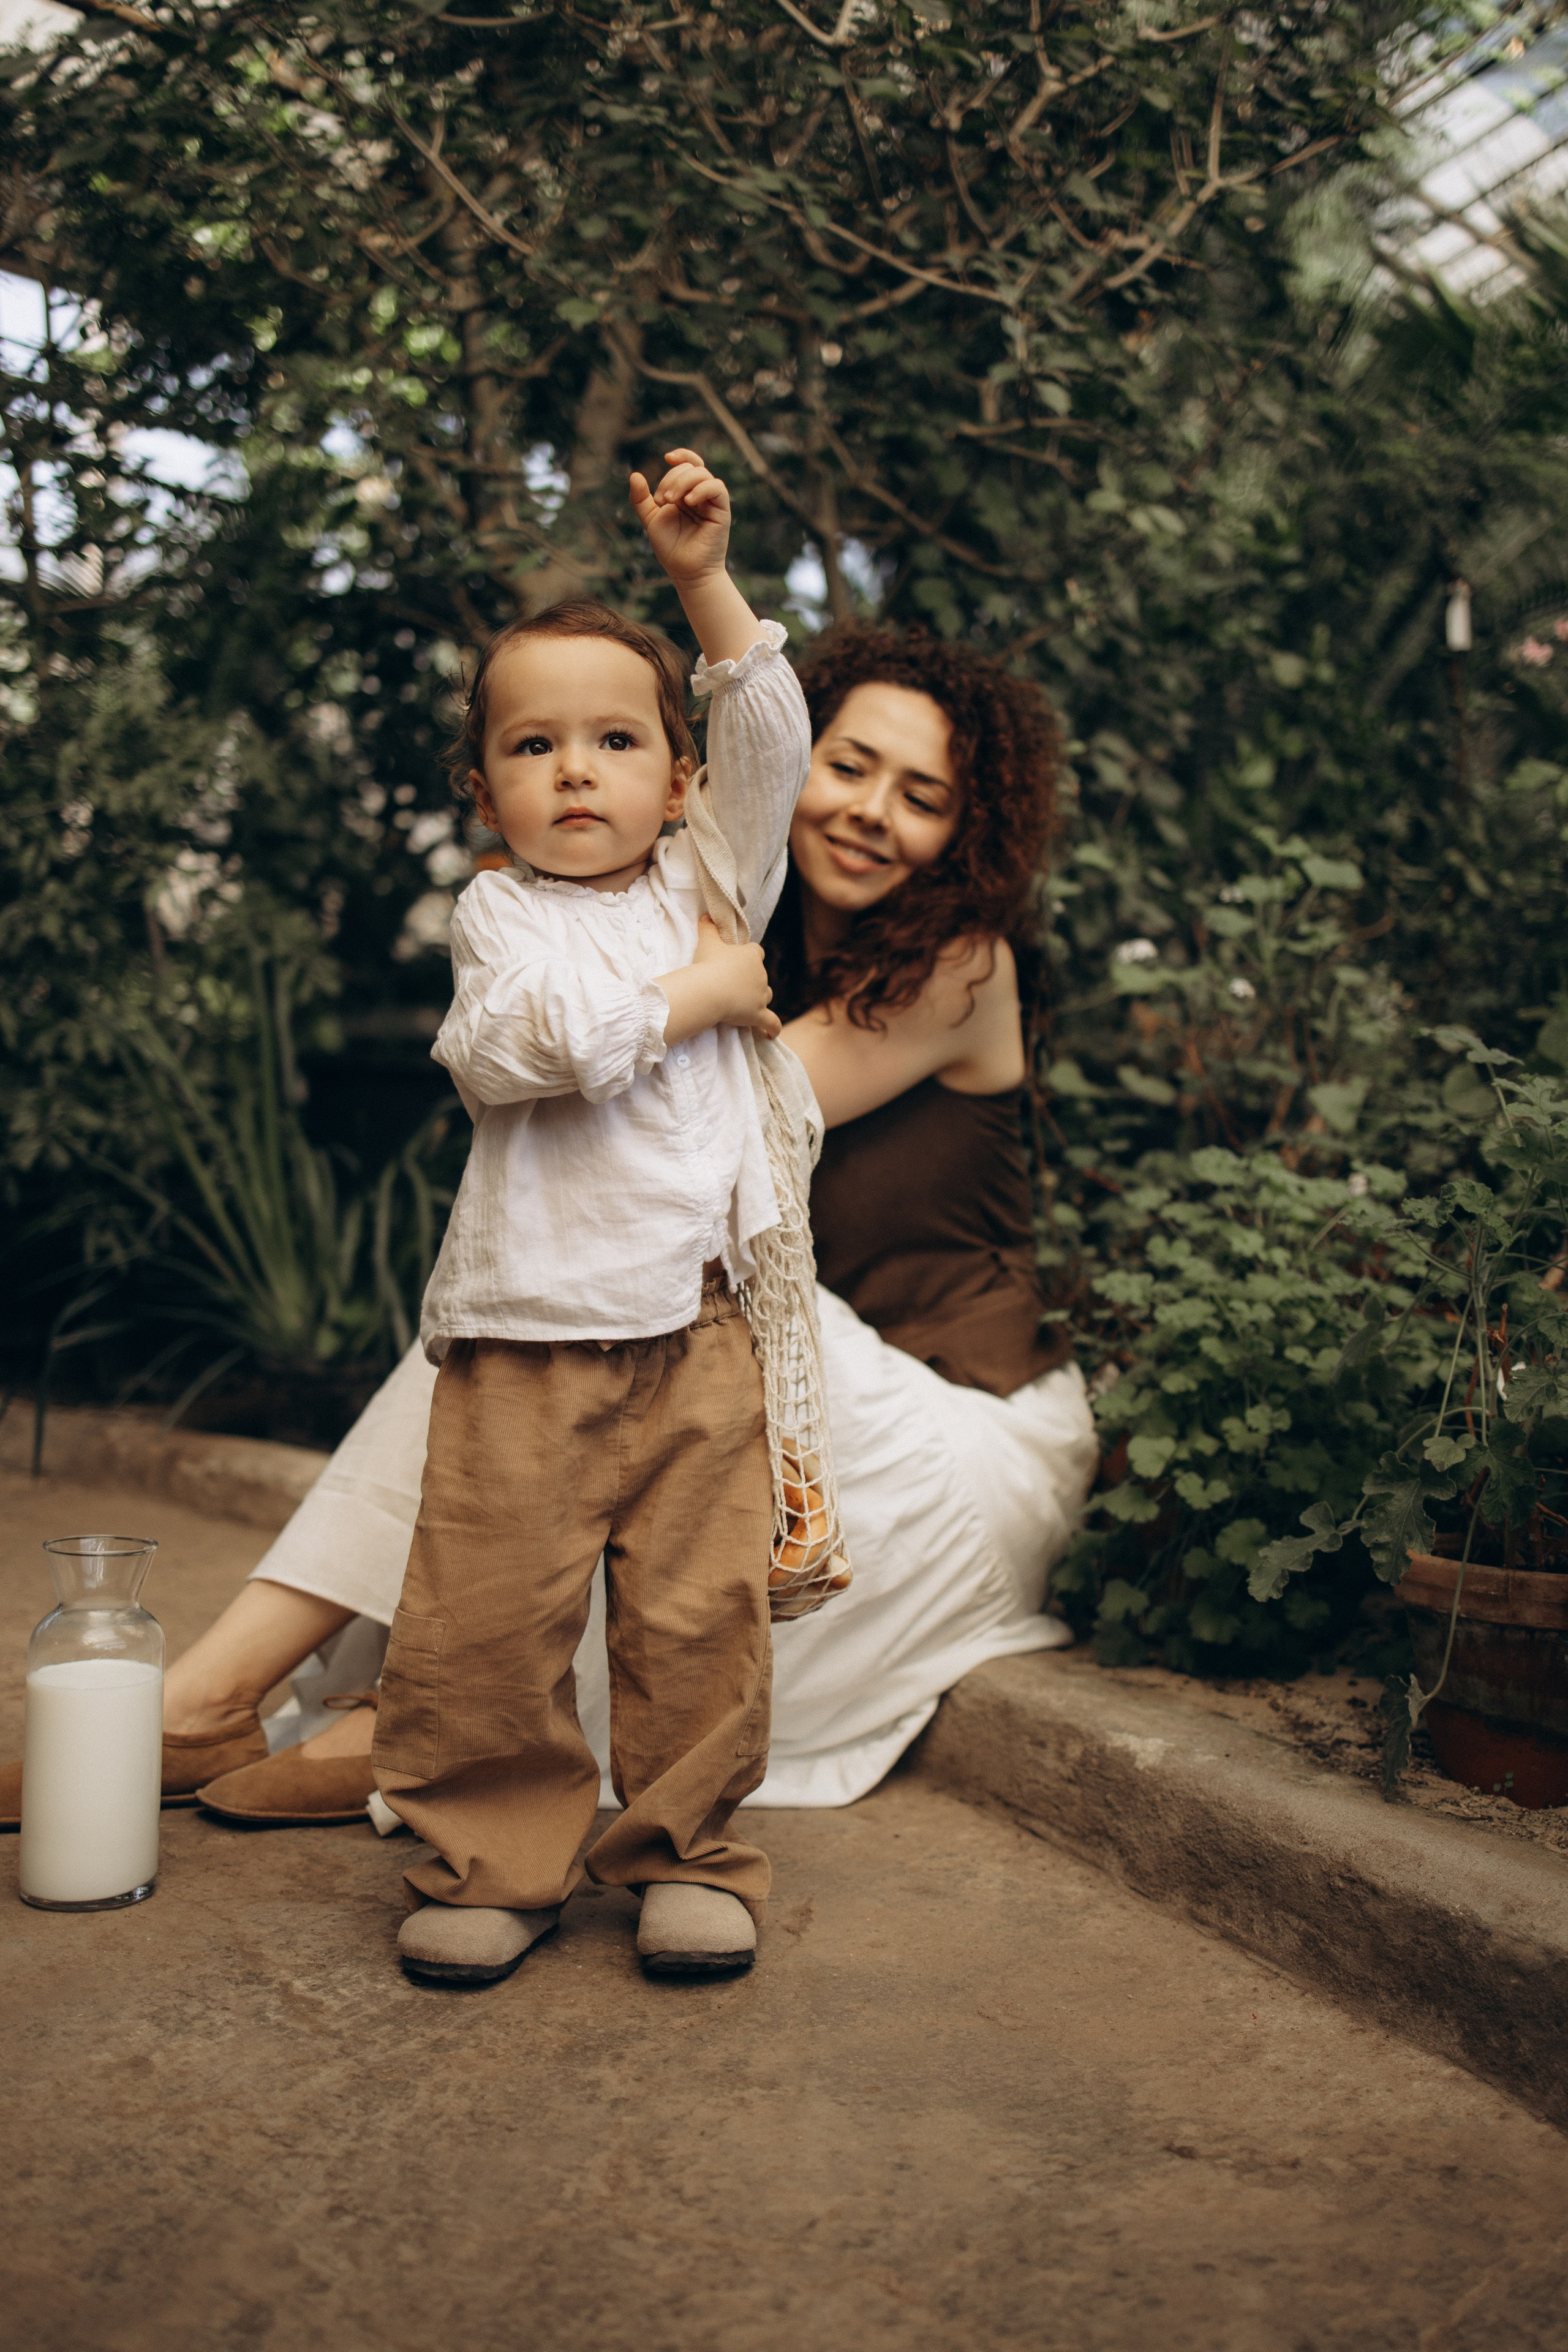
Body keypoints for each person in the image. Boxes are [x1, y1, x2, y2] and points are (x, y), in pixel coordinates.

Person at [0, 607, 1099, 1899]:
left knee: (577, 1290)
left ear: (966, 832)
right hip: (773, 1372)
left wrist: (641, 1007)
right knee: (556, 1310)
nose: (869, 812)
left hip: (949, 1425)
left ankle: (259, 1703)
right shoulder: (729, 919)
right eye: (848, 767)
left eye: (922, 797)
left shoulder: (957, 964)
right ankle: (258, 1699)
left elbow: (688, 1118)